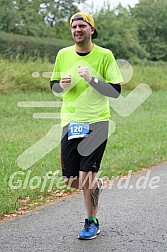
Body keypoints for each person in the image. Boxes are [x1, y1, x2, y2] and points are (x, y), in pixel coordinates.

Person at [50, 12, 123, 240]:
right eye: (74, 27)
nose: (77, 30)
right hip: (70, 123)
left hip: (97, 122)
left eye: (82, 26)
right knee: (72, 181)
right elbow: (54, 87)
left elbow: (116, 92)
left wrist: (92, 79)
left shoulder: (105, 55)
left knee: (86, 175)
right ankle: (95, 184)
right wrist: (60, 85)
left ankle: (91, 221)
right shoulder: (63, 55)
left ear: (91, 29)